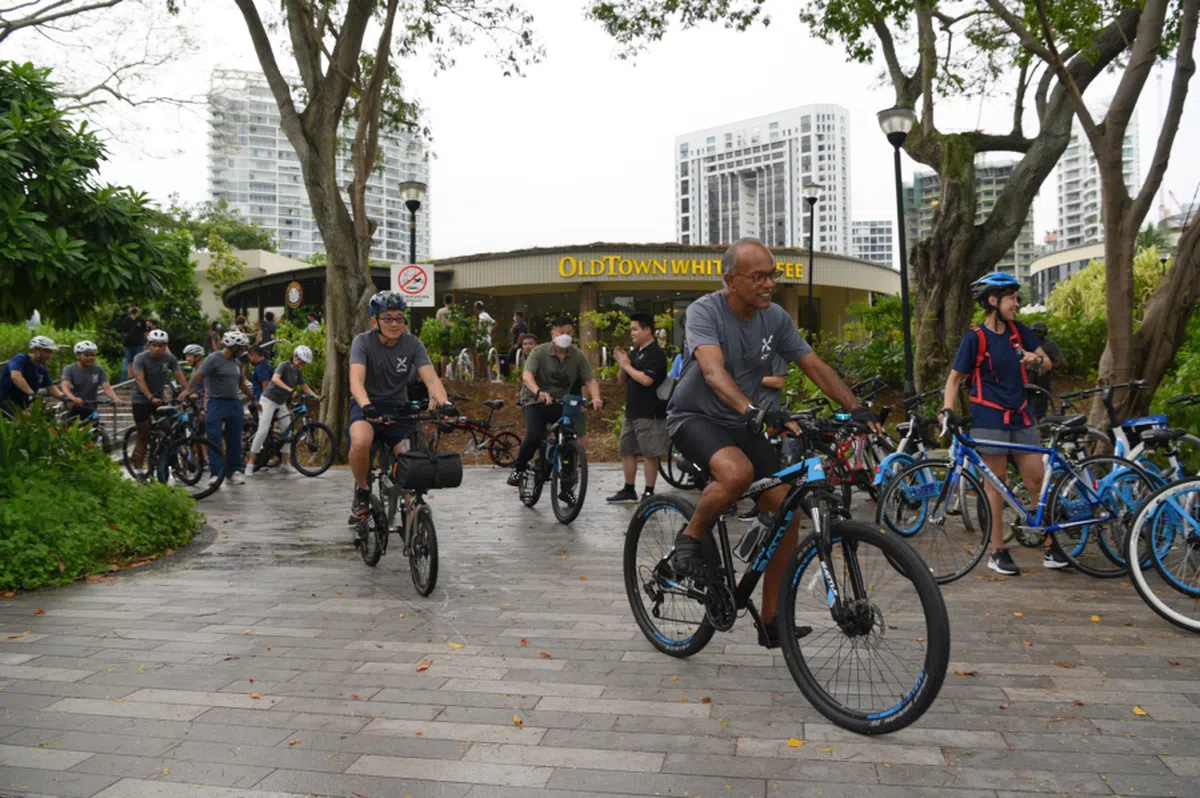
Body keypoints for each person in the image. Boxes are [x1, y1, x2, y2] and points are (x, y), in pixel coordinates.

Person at [667, 239, 881, 649]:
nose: (768, 284)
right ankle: (690, 537)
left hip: (741, 421)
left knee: (785, 511)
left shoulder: (775, 318)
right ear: (730, 280)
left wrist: (856, 408)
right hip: (695, 417)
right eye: (758, 277)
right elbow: (712, 371)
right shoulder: (705, 311)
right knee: (737, 473)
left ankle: (771, 620)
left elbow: (814, 365)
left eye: (773, 275)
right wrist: (755, 410)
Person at [941, 272, 1063, 576]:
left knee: (1036, 479)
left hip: (1021, 414)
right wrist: (947, 411)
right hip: (989, 417)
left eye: (1017, 298)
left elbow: (1047, 363)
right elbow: (954, 380)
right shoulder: (975, 338)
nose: (1017, 304)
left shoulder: (1019, 332)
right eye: (1012, 298)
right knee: (995, 485)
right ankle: (997, 551)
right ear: (993, 301)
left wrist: (1035, 360)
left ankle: (1050, 544)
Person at [348, 291, 452, 521]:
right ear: (374, 321)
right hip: (368, 408)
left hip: (398, 411)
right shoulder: (362, 342)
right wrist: (367, 405)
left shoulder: (412, 344)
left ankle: (414, 517)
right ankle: (362, 490)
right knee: (360, 442)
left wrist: (445, 404)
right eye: (387, 318)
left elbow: (431, 379)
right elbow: (356, 381)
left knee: (410, 461)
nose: (394, 324)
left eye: (399, 318)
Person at [507, 316, 605, 487]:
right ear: (553, 334)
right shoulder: (539, 352)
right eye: (561, 332)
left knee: (569, 438)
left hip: (560, 402)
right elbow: (527, 375)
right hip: (534, 400)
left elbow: (590, 380)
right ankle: (518, 468)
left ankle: (567, 485)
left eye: (569, 333)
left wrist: (596, 398)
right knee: (534, 436)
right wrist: (538, 392)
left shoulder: (577, 356)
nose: (565, 336)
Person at [182, 330, 256, 487]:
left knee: (234, 439)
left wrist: (253, 399)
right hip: (216, 403)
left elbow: (241, 383)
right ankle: (216, 473)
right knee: (214, 438)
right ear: (232, 347)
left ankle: (233, 471)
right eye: (240, 348)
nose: (242, 351)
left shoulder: (236, 363)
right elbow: (199, 375)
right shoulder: (213, 359)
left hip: (234, 403)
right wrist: (188, 390)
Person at [608, 312, 669, 502]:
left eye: (635, 329)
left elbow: (646, 380)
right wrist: (622, 364)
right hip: (632, 411)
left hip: (650, 412)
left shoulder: (656, 354)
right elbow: (621, 381)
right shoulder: (636, 352)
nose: (632, 333)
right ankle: (629, 489)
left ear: (647, 330)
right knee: (627, 450)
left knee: (649, 453)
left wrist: (627, 365)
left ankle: (649, 491)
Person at [247, 345, 320, 475]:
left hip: (280, 402)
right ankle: (250, 463)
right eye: (301, 361)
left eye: (304, 363)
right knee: (263, 431)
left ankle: (285, 463)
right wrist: (289, 389)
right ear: (295, 357)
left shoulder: (297, 372)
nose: (302, 365)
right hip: (268, 400)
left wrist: (315, 396)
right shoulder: (284, 365)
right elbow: (275, 379)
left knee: (288, 432)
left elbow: (305, 387)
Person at [736, 353, 789, 521]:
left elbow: (779, 381)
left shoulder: (776, 353)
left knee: (762, 463)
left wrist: (751, 378)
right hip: (751, 409)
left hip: (768, 411)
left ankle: (764, 507)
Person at [129, 330, 186, 473]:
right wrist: (150, 397)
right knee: (143, 435)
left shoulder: (169, 358)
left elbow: (179, 375)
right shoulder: (140, 358)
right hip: (141, 400)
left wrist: (188, 391)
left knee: (168, 429)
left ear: (165, 346)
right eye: (154, 345)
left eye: (161, 346)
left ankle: (168, 459)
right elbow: (139, 379)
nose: (157, 349)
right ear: (149, 345)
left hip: (159, 400)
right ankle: (139, 471)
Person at [60, 340, 123, 422]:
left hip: (90, 407)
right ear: (78, 355)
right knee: (70, 427)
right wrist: (73, 398)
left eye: (93, 355)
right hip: (72, 407)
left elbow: (107, 387)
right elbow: (65, 386)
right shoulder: (69, 369)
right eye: (86, 355)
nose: (90, 357)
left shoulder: (99, 370)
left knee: (95, 423)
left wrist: (115, 398)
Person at [0, 336, 64, 416]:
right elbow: (15, 376)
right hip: (5, 401)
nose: (50, 355)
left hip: (21, 405)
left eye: (51, 352)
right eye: (47, 351)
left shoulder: (42, 370)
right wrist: (31, 393)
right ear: (35, 350)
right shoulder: (20, 359)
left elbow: (51, 388)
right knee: (27, 418)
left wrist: (65, 398)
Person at [1029, 321, 1066, 419]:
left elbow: (1060, 362)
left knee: (1039, 414)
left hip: (1041, 384)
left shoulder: (1050, 344)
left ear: (1044, 333)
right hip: (1026, 383)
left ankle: (1043, 428)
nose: (1036, 334)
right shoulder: (1027, 344)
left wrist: (1047, 367)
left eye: (1039, 332)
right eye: (1034, 331)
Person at [119, 304, 149, 381]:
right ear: (129, 309)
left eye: (135, 307)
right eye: (131, 307)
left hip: (139, 344)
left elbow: (146, 333)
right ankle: (130, 378)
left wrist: (147, 342)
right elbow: (123, 333)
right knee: (129, 361)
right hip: (128, 344)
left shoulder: (142, 320)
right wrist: (122, 342)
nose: (133, 309)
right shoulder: (126, 320)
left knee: (139, 360)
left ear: (138, 309)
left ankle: (139, 377)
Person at [472, 300, 496, 380]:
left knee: (479, 357)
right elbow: (494, 323)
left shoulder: (482, 316)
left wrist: (488, 331)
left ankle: (480, 375)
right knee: (484, 358)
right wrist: (490, 331)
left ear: (476, 308)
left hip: (483, 339)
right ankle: (485, 375)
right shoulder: (486, 315)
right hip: (486, 339)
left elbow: (493, 324)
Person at [505, 311, 529, 377]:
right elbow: (511, 332)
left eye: (515, 316)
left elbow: (522, 334)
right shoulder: (517, 324)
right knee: (513, 361)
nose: (514, 317)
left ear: (518, 316)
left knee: (511, 360)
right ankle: (517, 375)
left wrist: (517, 344)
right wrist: (513, 326)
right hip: (515, 344)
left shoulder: (522, 324)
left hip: (518, 345)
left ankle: (517, 375)